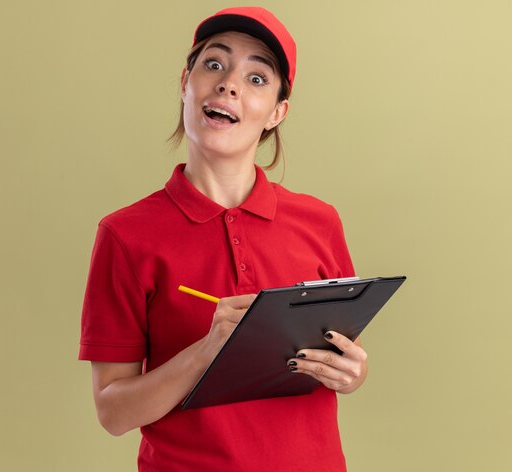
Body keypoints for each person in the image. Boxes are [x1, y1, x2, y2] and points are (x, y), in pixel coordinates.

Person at [79, 7, 368, 471]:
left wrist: (352, 373)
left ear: (277, 112)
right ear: (185, 83)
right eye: (214, 64)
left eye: (257, 78)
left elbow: (339, 357)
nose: (229, 83)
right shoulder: (125, 235)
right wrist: (207, 351)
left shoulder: (320, 223)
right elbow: (112, 412)